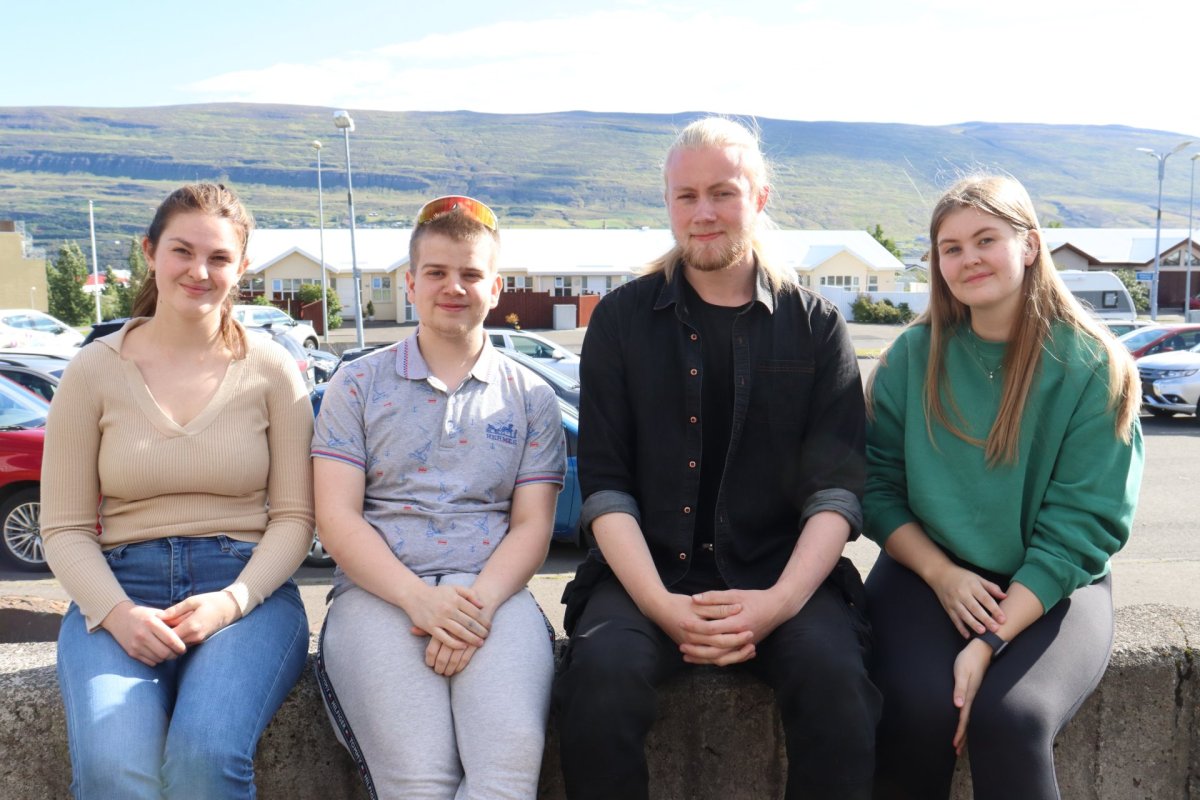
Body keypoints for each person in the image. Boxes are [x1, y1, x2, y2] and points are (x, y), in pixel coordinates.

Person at [552, 117, 880, 800]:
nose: (703, 213)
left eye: (723, 193)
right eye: (686, 195)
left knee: (837, 685)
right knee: (600, 682)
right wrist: (661, 606)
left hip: (781, 574)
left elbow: (836, 492)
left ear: (759, 198)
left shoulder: (816, 327)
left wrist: (778, 604)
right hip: (643, 575)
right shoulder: (619, 322)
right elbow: (606, 488)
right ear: (668, 203)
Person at [863, 174, 1144, 800]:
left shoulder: (1095, 366)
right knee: (915, 710)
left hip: (1053, 583)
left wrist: (991, 639)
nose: (968, 258)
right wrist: (942, 575)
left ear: (1030, 245)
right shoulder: (909, 357)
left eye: (986, 239)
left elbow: (1083, 526)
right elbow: (877, 490)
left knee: (1011, 719)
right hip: (923, 574)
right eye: (951, 247)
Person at [43, 183, 315, 799]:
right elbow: (63, 527)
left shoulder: (273, 368)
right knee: (114, 770)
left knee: (204, 759)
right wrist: (117, 614)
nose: (199, 271)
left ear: (241, 267)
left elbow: (296, 517)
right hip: (121, 589)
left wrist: (231, 602)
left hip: (246, 591)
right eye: (182, 251)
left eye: (219, 257)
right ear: (150, 253)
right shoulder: (93, 370)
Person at [313, 195, 566, 800]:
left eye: (471, 273)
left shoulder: (531, 396)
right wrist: (418, 601)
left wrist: (474, 607)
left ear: (495, 288)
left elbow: (532, 525)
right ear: (410, 283)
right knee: (418, 783)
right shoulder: (356, 384)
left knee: (506, 779)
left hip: (492, 595)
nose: (454, 287)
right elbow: (337, 517)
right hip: (380, 596)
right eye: (436, 272)